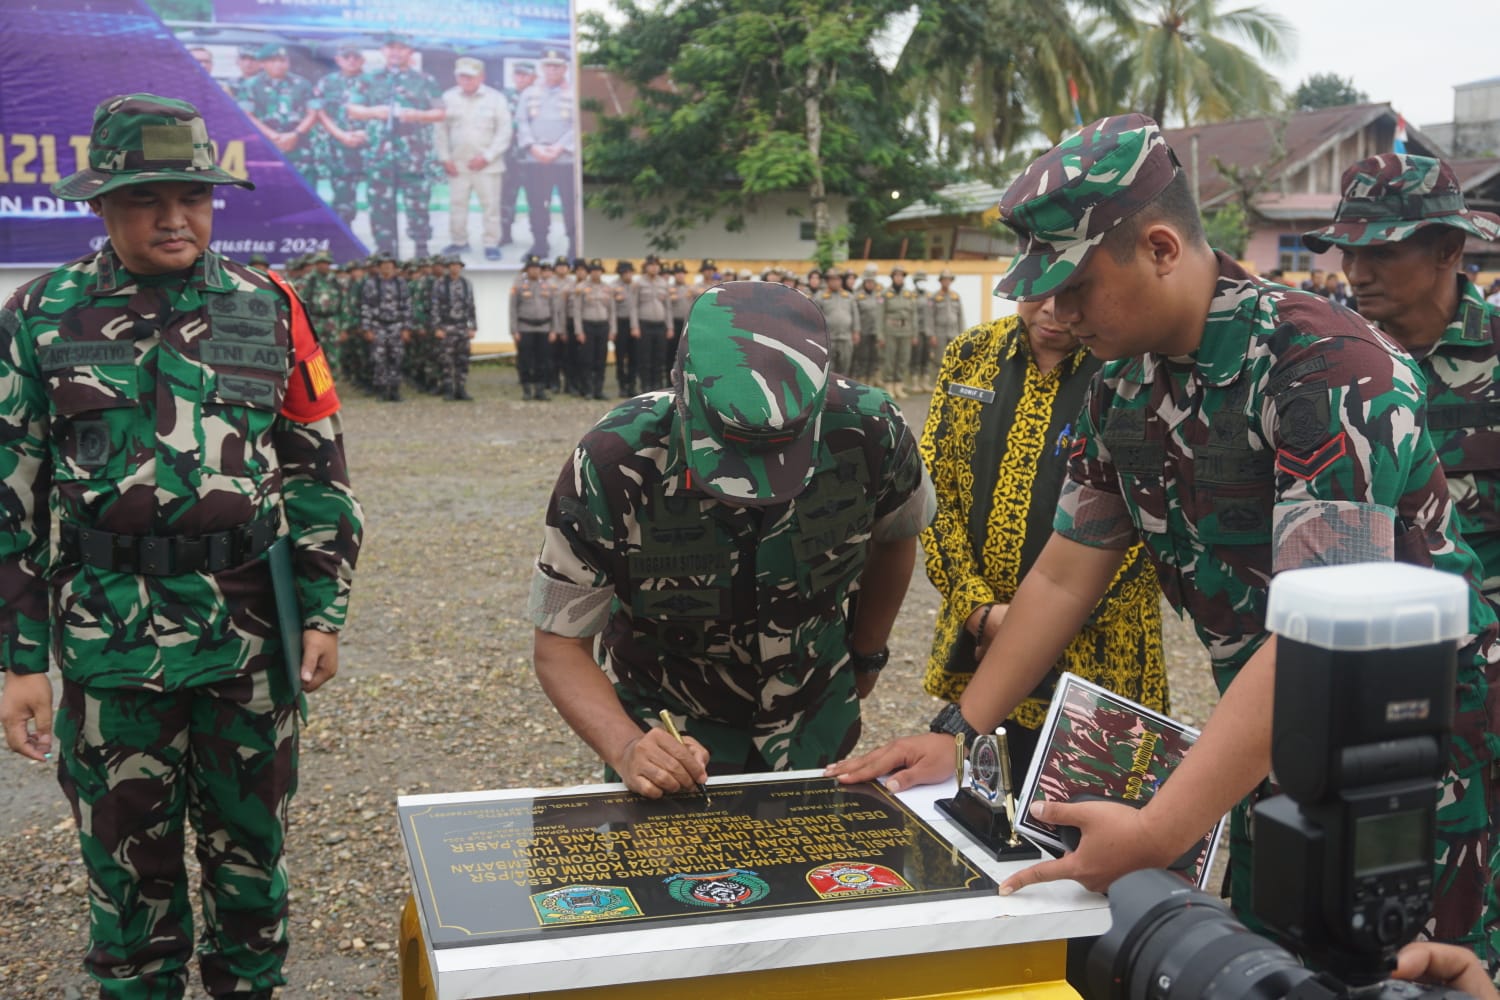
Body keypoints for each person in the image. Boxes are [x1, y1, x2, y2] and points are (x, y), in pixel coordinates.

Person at [826, 114, 1500, 962]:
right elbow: (1066, 575)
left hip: (1401, 757)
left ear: (1160, 247)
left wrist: (1156, 831)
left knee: (1401, 973)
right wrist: (957, 731)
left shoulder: (1325, 371)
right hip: (1264, 740)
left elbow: (1320, 643)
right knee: (1271, 964)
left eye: (1076, 287)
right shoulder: (1123, 388)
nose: (1061, 315)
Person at [0, 93, 362, 1000]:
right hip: (110, 640)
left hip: (248, 637)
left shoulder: (267, 306)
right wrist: (18, 661)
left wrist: (321, 609)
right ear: (101, 206)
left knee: (252, 855)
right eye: (145, 199)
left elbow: (318, 468)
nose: (174, 218)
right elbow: (11, 496)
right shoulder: (43, 316)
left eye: (193, 197)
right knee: (129, 872)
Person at [531, 281, 934, 794]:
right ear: (683, 389)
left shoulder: (871, 430)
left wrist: (867, 653)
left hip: (814, 716)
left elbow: (897, 536)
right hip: (672, 732)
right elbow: (559, 643)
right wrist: (628, 747)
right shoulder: (615, 461)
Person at [920, 296, 1167, 780]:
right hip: (977, 640)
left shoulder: (1136, 368)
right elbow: (932, 491)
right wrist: (977, 609)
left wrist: (1033, 623)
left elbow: (1155, 521)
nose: (1053, 309)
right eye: (1039, 291)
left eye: (1073, 290)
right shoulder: (971, 353)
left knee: (1088, 821)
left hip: (1098, 654)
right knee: (979, 813)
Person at [1303, 154, 1500, 602]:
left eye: (1382, 253)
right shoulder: (1325, 362)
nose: (1356, 274)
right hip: (1370, 629)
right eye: (1348, 254)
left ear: (1448, 248)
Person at [347, 34, 444, 257]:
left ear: (410, 52)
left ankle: (421, 251)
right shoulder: (368, 79)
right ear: (383, 51)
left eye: (402, 48)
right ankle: (385, 253)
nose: (396, 52)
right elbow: (353, 109)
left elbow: (440, 112)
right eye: (391, 47)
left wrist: (418, 115)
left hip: (414, 157)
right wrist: (374, 112)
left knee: (418, 206)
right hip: (379, 157)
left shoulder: (425, 80)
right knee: (380, 207)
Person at [437, 57, 511, 261]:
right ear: (456, 77)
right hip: (458, 165)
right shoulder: (447, 97)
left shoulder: (496, 98)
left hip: (487, 165)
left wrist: (487, 157)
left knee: (491, 207)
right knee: (457, 205)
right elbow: (440, 130)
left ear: (481, 77)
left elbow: (504, 132)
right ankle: (459, 242)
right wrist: (445, 158)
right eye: (462, 76)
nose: (466, 80)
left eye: (470, 77)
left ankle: (491, 243)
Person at [515, 49, 577, 260]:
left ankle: (573, 247)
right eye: (548, 65)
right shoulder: (529, 93)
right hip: (536, 159)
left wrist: (560, 147)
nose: (552, 69)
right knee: (538, 204)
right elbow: (522, 122)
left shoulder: (573, 93)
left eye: (557, 66)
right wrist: (533, 147)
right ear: (542, 67)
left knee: (570, 204)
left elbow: (576, 126)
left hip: (565, 161)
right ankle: (540, 244)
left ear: (565, 68)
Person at [242, 44, 319, 187]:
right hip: (265, 149)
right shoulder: (251, 85)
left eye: (283, 60)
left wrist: (295, 134)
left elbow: (313, 113)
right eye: (273, 61)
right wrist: (274, 136)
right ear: (262, 63)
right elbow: (247, 115)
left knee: (303, 197)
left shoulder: (303, 84)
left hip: (299, 148)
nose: (279, 65)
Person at [313, 41, 370, 227]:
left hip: (370, 146)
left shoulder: (374, 81)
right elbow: (319, 112)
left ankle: (383, 242)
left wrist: (366, 132)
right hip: (338, 146)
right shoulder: (327, 82)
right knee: (342, 194)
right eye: (347, 57)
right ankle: (344, 234)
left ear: (363, 60)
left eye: (356, 57)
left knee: (379, 197)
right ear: (338, 60)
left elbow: (383, 111)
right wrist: (340, 134)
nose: (352, 61)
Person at [360, 250, 411, 401]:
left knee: (396, 358)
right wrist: (367, 328)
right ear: (379, 267)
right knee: (379, 359)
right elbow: (365, 306)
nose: (387, 268)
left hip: (396, 326)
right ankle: (382, 391)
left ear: (394, 267)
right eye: (383, 265)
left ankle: (395, 390)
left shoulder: (401, 283)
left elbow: (407, 306)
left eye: (389, 265)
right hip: (378, 326)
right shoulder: (371, 283)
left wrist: (406, 328)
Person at [511, 253, 559, 400]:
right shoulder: (519, 286)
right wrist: (514, 330)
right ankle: (526, 389)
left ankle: (540, 389)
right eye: (532, 268)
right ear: (527, 270)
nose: (535, 271)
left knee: (543, 360)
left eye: (537, 268)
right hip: (525, 328)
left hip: (544, 328)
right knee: (525, 360)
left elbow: (553, 309)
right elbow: (513, 309)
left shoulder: (548, 286)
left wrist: (554, 329)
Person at [430, 254, 478, 400]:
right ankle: (448, 389)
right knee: (446, 360)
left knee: (463, 360)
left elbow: (471, 306)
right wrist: (437, 327)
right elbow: (434, 307)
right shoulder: (439, 284)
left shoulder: (466, 284)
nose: (455, 268)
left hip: (462, 327)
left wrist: (473, 326)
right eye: (452, 265)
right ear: (447, 267)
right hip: (446, 326)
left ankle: (461, 389)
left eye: (457, 265)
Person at [629, 254, 673, 392]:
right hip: (644, 324)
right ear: (646, 267)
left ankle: (657, 385)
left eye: (656, 265)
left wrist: (670, 327)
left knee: (659, 357)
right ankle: (646, 385)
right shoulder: (639, 283)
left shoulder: (663, 283)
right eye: (651, 265)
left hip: (660, 325)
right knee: (645, 357)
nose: (654, 268)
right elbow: (633, 306)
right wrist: (634, 326)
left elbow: (668, 307)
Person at [573, 258, 615, 400]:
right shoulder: (582, 287)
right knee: (587, 360)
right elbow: (577, 310)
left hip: (603, 326)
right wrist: (579, 331)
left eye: (598, 271)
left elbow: (612, 311)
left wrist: (612, 329)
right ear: (590, 272)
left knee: (601, 359)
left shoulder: (607, 288)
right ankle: (588, 390)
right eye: (593, 271)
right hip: (587, 326)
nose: (596, 273)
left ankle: (599, 390)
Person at [880, 264, 919, 398]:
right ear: (892, 277)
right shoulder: (885, 294)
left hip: (906, 331)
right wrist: (880, 335)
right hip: (890, 330)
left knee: (903, 358)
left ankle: (899, 385)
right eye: (896, 275)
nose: (899, 278)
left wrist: (915, 333)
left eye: (901, 275)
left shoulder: (909, 294)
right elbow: (880, 315)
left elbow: (914, 314)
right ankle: (889, 385)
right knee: (890, 359)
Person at [852, 264, 883, 384]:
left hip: (875, 331)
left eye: (872, 282)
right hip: (863, 331)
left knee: (874, 357)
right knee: (862, 357)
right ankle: (861, 379)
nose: (870, 284)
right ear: (864, 282)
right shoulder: (858, 296)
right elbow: (856, 315)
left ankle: (871, 379)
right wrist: (857, 331)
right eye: (868, 282)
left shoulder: (879, 295)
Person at [611, 259, 637, 398]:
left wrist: (636, 326)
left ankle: (632, 385)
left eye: (630, 272)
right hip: (620, 323)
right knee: (620, 357)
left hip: (634, 325)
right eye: (625, 272)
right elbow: (612, 310)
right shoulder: (613, 287)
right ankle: (622, 385)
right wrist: (613, 329)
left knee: (634, 356)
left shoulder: (635, 286)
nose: (628, 275)